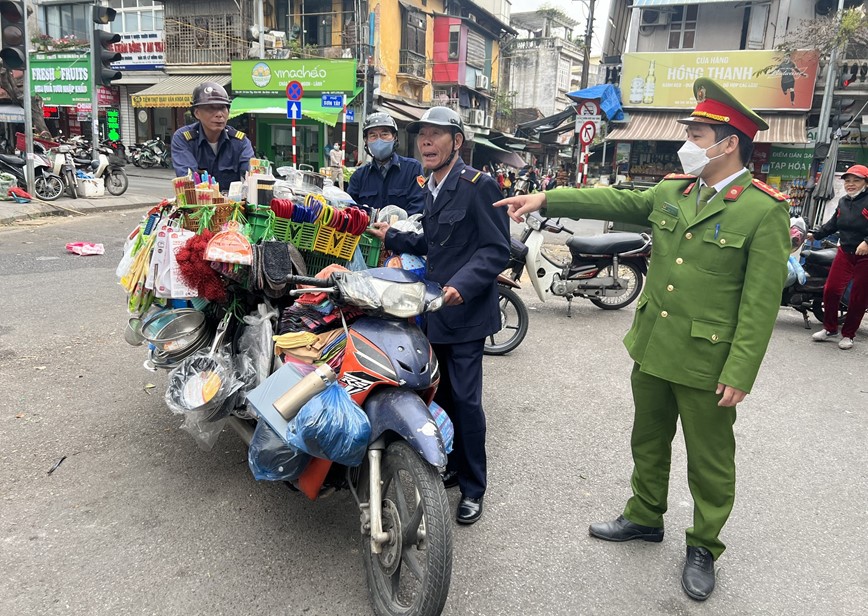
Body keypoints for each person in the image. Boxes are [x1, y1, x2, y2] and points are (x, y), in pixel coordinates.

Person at [495, 78, 790, 601]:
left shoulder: (763, 210)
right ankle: (644, 516)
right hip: (654, 347)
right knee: (647, 442)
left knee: (710, 460)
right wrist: (545, 194)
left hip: (707, 360)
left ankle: (703, 544)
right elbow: (612, 196)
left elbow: (760, 303)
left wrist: (739, 372)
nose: (688, 143)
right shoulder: (675, 190)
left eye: (697, 133)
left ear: (728, 143)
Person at [368, 107, 510, 525]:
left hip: (464, 314)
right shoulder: (430, 187)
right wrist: (391, 235)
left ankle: (473, 486)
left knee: (466, 402)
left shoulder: (478, 186)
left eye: (435, 135)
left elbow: (495, 249)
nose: (426, 142)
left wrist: (460, 286)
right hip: (433, 315)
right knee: (440, 398)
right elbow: (433, 241)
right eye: (421, 136)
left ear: (457, 142)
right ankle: (449, 465)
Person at [808, 164, 868, 349]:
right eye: (848, 181)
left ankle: (848, 335)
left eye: (856, 180)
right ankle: (830, 328)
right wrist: (814, 235)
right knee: (831, 290)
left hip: (865, 256)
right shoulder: (843, 202)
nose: (850, 184)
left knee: (858, 298)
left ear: (865, 183)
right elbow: (833, 224)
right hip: (845, 252)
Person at [171, 82, 254, 189]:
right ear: (197, 113)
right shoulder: (183, 138)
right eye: (211, 108)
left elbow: (252, 175)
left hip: (232, 204)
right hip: (199, 203)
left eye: (223, 108)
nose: (219, 114)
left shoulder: (240, 141)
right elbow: (187, 179)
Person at [347, 112, 426, 215]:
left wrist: (395, 227)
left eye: (385, 134)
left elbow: (419, 206)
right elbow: (350, 211)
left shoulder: (413, 169)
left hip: (402, 230)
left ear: (395, 137)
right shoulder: (358, 177)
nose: (379, 140)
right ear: (366, 141)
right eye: (373, 135)